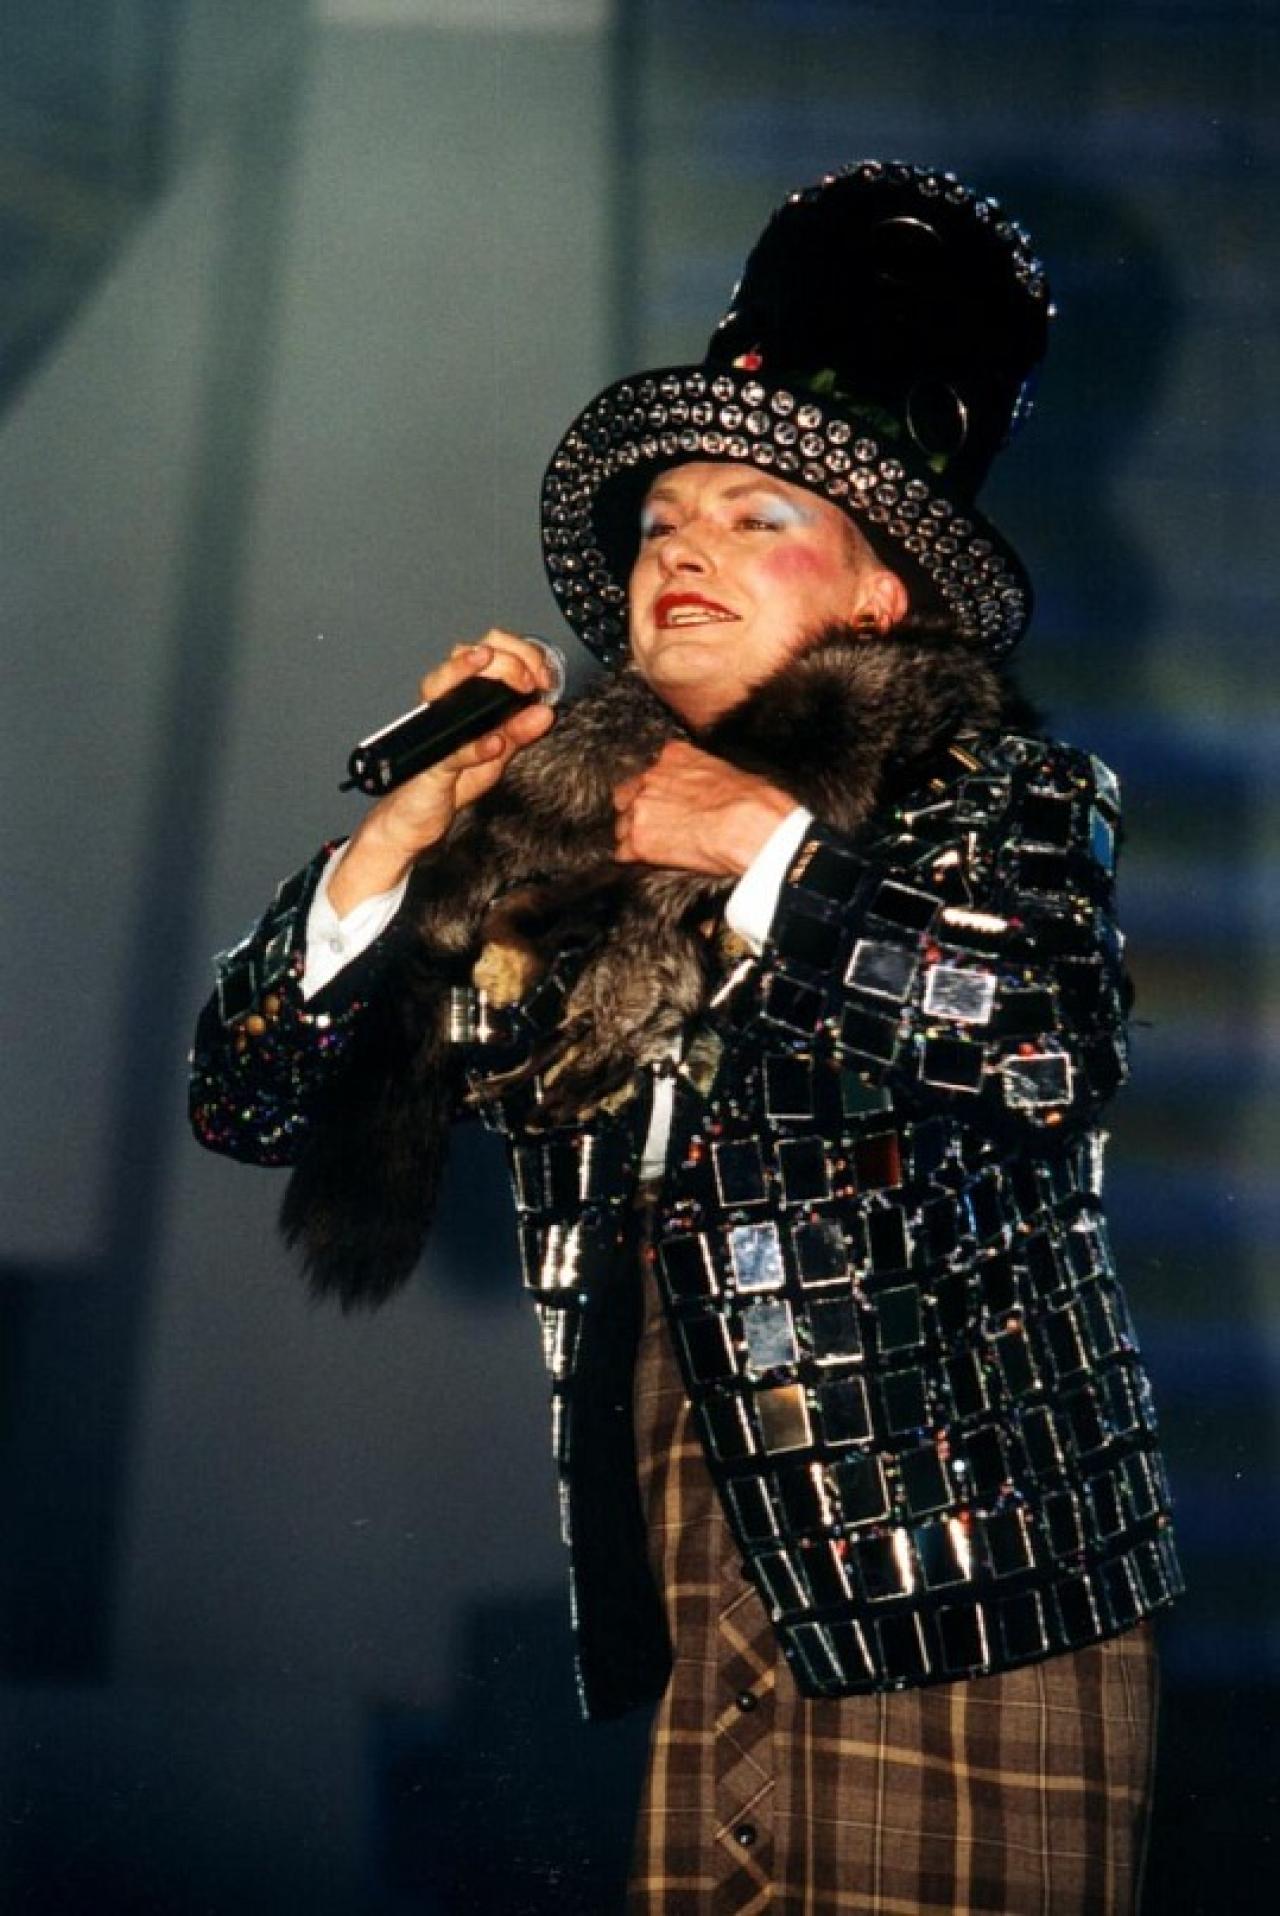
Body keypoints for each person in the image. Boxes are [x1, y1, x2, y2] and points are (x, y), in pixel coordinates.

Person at [191, 160, 1182, 1912]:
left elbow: (1041, 1041)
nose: (684, 550)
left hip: (971, 1608)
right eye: (661, 525)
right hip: (709, 1599)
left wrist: (751, 841)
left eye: (754, 515)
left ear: (877, 596)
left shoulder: (1000, 802)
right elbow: (247, 1097)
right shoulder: (571, 855)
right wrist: (396, 849)